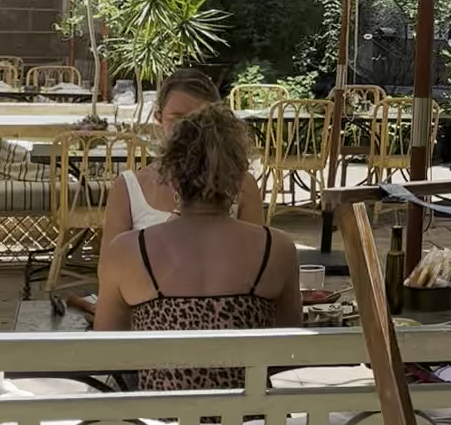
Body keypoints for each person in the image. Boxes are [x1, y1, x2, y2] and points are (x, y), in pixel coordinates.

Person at [95, 104, 301, 389]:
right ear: (238, 177)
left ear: (172, 176)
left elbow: (108, 351)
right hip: (249, 417)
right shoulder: (277, 249)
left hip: (161, 416)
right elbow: (288, 352)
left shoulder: (127, 251)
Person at [101, 67, 262, 259]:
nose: (190, 129)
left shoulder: (242, 185)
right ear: (159, 118)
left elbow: (258, 262)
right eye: (178, 118)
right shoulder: (128, 188)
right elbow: (110, 267)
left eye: (200, 119)